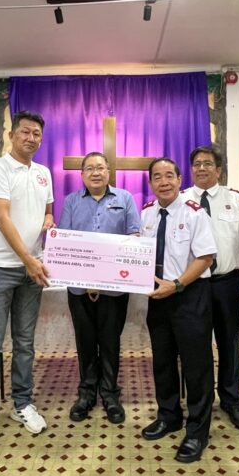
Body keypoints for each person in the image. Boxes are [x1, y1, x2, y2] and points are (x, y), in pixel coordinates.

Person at [0, 111, 54, 452]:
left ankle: (23, 402)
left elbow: (48, 209)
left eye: (37, 134)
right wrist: (28, 259)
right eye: (25, 132)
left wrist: (48, 222)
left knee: (24, 341)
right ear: (11, 135)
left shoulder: (43, 172)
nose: (31, 138)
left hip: (32, 269)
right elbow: (1, 217)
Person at [141, 157, 217, 463]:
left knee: (196, 366)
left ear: (179, 179)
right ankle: (169, 416)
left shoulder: (194, 213)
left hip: (189, 295)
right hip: (158, 296)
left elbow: (206, 257)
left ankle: (197, 430)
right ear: (150, 183)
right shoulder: (147, 213)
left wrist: (176, 284)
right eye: (157, 177)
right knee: (162, 361)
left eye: (169, 176)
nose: (164, 182)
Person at [59, 151, 141, 425]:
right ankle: (86, 394)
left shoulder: (125, 198)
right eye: (90, 168)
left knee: (109, 341)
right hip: (79, 288)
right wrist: (88, 276)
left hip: (114, 287)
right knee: (85, 341)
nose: (96, 173)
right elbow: (66, 240)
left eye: (100, 168)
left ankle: (110, 394)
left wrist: (108, 271)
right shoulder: (71, 201)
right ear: (82, 174)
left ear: (108, 171)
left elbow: (134, 235)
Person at [180, 145, 239, 429]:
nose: (201, 168)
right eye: (197, 164)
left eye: (208, 164)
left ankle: (231, 399)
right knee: (196, 345)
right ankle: (201, 400)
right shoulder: (180, 200)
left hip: (226, 282)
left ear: (218, 170)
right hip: (192, 284)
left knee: (228, 343)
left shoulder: (237, 200)